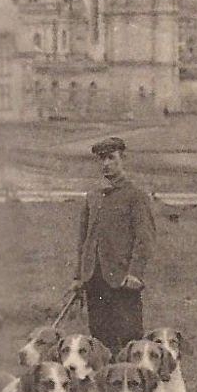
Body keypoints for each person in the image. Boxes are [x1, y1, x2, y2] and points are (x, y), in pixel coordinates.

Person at [74, 136, 157, 351]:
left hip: (122, 280)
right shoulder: (92, 197)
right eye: (102, 159)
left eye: (112, 158)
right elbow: (83, 240)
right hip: (94, 278)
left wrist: (135, 273)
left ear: (124, 159)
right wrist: (79, 275)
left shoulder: (135, 196)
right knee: (99, 338)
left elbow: (145, 238)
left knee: (128, 339)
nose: (106, 164)